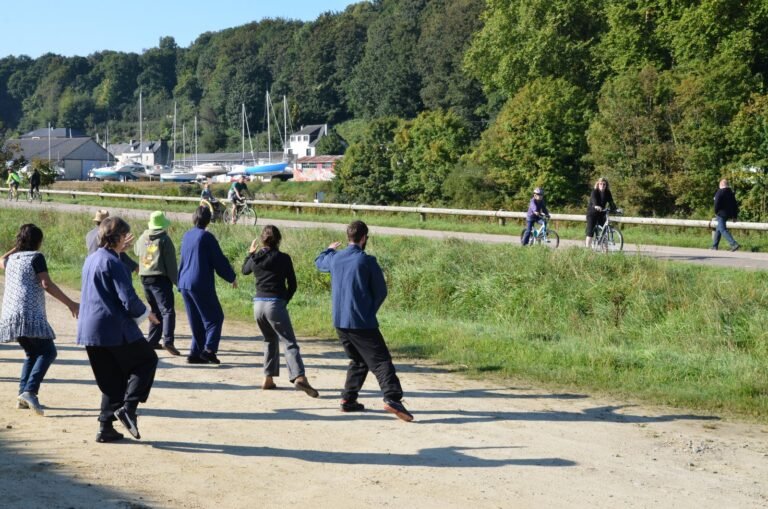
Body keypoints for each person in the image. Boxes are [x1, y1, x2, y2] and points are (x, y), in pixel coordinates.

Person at [315, 220, 413, 422]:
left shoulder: (335, 258)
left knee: (359, 361)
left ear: (348, 237)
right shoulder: (367, 261)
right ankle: (392, 398)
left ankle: (348, 400)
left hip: (340, 321)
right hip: (361, 321)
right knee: (381, 361)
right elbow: (381, 292)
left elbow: (319, 262)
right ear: (363, 238)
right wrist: (369, 310)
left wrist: (327, 250)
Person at [77, 216, 160, 443]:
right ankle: (128, 409)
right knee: (146, 360)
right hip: (112, 328)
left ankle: (105, 428)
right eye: (125, 236)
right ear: (120, 237)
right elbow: (128, 299)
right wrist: (147, 314)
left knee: (113, 377)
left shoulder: (91, 259)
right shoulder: (114, 262)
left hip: (89, 330)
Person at [0, 224, 79, 415]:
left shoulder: (12, 259)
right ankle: (30, 391)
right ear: (38, 241)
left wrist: (17, 246)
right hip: (29, 313)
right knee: (48, 352)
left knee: (32, 353)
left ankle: (23, 395)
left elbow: (1, 259)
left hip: (10, 314)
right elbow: (46, 283)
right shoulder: (36, 257)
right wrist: (70, 303)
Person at [242, 225, 318, 397]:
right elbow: (293, 285)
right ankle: (299, 376)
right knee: (289, 341)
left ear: (262, 239)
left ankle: (268, 379)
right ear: (279, 240)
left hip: (258, 305)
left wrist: (250, 253)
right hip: (275, 304)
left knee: (269, 339)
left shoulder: (256, 258)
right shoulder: (284, 258)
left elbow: (244, 270)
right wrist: (284, 301)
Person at [178, 206, 237, 364]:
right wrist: (231, 277)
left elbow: (182, 259)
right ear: (209, 219)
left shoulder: (187, 235)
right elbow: (219, 260)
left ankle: (195, 353)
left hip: (184, 282)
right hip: (199, 282)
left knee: (196, 319)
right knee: (215, 318)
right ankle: (209, 350)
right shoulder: (206, 237)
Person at [134, 211, 180, 355]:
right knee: (167, 311)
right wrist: (177, 282)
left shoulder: (142, 237)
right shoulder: (164, 239)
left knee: (155, 310)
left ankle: (153, 341)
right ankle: (168, 341)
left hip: (144, 277)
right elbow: (171, 264)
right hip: (160, 279)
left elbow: (136, 251)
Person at [86, 209, 139, 274]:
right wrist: (119, 246)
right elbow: (112, 252)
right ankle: (138, 269)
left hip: (90, 263)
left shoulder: (89, 234)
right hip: (103, 265)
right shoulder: (105, 234)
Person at [585, 177, 618, 248]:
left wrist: (615, 209)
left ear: (606, 185)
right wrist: (596, 206)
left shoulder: (607, 192)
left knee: (604, 232)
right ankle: (587, 250)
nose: (602, 186)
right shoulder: (594, 191)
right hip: (592, 213)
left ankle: (605, 252)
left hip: (601, 213)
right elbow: (594, 201)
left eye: (604, 184)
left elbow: (611, 202)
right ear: (597, 184)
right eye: (600, 184)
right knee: (590, 232)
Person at [712, 178, 740, 251]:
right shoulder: (731, 193)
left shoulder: (720, 192)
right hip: (728, 214)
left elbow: (716, 203)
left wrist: (715, 211)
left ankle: (734, 244)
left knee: (722, 229)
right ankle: (714, 246)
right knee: (718, 228)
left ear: (721, 185)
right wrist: (734, 216)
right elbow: (735, 205)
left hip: (720, 214)